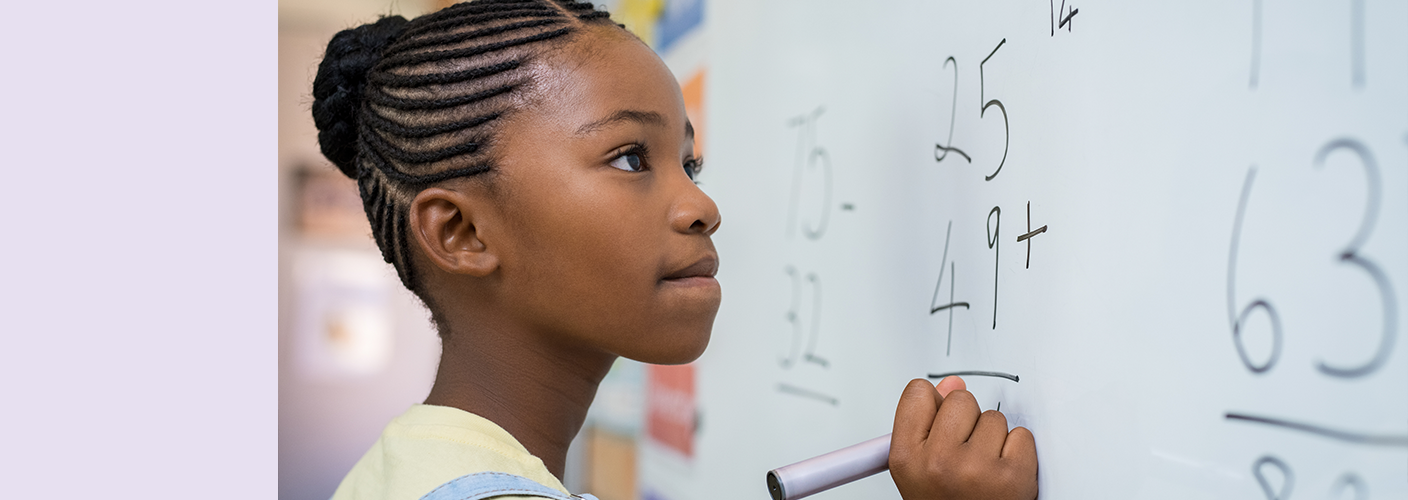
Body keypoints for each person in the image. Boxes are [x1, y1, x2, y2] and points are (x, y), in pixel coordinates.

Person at [310, 1, 1039, 499]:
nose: (701, 206)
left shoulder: (408, 465)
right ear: (461, 234)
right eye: (630, 158)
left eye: (689, 165)